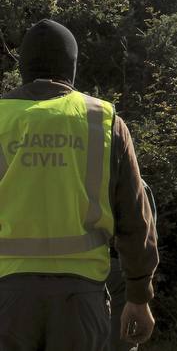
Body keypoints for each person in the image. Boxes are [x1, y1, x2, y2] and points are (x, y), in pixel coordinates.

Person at [0, 19, 159, 350]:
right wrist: (139, 295)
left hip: (7, 296)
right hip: (81, 297)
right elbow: (135, 217)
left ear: (24, 67)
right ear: (71, 66)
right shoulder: (102, 120)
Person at [107, 179, 157, 351]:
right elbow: (144, 240)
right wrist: (140, 294)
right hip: (119, 272)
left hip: (79, 269)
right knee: (120, 340)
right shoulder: (137, 186)